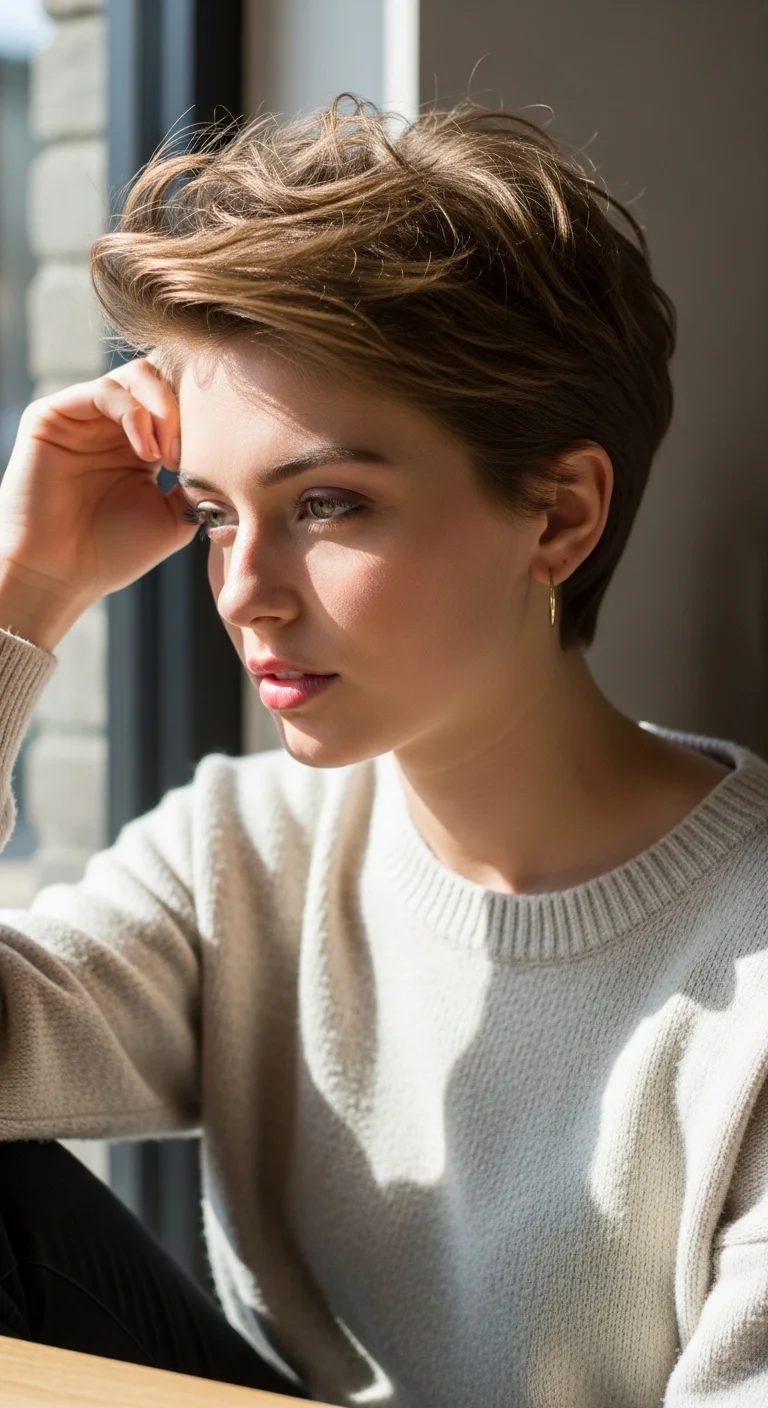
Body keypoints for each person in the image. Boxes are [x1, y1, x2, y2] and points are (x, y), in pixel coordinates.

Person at [0, 92, 766, 1408]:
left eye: (327, 505)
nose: (244, 591)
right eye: (209, 512)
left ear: (561, 515)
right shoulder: (242, 854)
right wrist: (24, 598)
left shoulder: (745, 979)